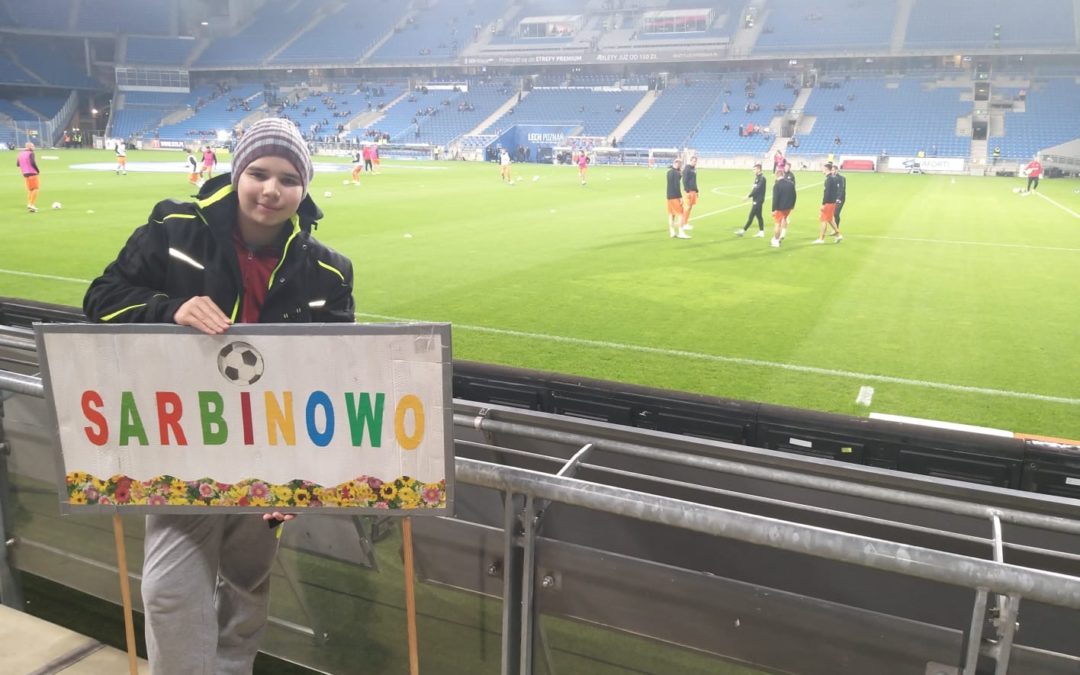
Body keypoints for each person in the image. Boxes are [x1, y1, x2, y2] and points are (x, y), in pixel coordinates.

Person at [82, 118, 356, 675]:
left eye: (288, 178)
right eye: (258, 173)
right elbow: (101, 298)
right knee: (169, 588)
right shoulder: (174, 227)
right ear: (237, 173)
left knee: (247, 585)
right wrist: (169, 310)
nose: (271, 190)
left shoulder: (329, 270)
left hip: (273, 452)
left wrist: (304, 476)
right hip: (182, 443)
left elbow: (335, 374)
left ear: (305, 188)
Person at [813, 162, 842, 243]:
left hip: (828, 203)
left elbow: (827, 193)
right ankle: (838, 235)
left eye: (823, 168)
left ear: (826, 169)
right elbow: (836, 191)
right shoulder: (835, 178)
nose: (822, 170)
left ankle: (821, 239)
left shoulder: (828, 180)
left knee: (824, 220)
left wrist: (823, 204)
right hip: (833, 202)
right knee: (830, 220)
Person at [735, 163, 766, 237]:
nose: (753, 171)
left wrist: (748, 197)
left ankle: (743, 231)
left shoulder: (762, 178)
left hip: (758, 200)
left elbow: (757, 190)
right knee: (759, 216)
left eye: (754, 169)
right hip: (756, 199)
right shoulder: (757, 178)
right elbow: (754, 189)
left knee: (751, 216)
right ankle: (761, 232)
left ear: (758, 169)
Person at [770, 169, 796, 248]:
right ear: (783, 175)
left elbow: (775, 199)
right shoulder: (791, 184)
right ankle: (783, 234)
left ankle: (776, 241)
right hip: (788, 207)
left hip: (780, 208)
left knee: (777, 224)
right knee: (784, 219)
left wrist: (773, 210)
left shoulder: (776, 185)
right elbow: (794, 195)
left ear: (776, 175)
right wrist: (792, 205)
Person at [666, 158, 689, 239]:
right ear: (677, 164)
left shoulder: (668, 172)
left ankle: (672, 232)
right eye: (679, 164)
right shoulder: (676, 173)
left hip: (669, 196)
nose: (680, 165)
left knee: (671, 215)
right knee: (680, 215)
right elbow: (676, 186)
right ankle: (681, 232)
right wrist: (680, 197)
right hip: (675, 196)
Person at [17, 141, 40, 213]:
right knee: (36, 188)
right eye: (33, 146)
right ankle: (31, 204)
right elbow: (33, 162)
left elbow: (18, 164)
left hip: (25, 173)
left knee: (30, 190)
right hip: (32, 173)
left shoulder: (20, 153)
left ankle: (29, 204)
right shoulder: (31, 153)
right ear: (29, 147)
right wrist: (37, 170)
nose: (34, 147)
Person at [681, 155, 699, 230]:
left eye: (696, 161)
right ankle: (683, 224)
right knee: (687, 207)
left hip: (693, 191)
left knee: (690, 207)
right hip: (689, 191)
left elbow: (694, 181)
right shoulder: (687, 168)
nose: (695, 163)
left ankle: (686, 223)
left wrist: (697, 190)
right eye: (694, 161)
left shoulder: (694, 169)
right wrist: (687, 191)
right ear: (690, 160)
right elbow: (684, 180)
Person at [832, 164, 847, 229]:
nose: (832, 171)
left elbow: (842, 189)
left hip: (840, 199)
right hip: (832, 198)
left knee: (836, 213)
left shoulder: (842, 178)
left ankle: (836, 229)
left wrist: (839, 198)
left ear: (837, 170)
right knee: (832, 214)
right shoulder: (830, 178)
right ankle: (835, 229)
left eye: (833, 170)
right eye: (831, 170)